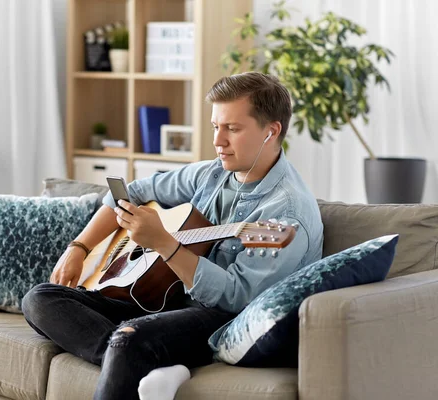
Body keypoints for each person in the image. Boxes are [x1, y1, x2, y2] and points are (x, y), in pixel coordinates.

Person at [21, 72, 324, 400]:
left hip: (219, 317)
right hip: (163, 300)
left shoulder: (287, 213)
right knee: (40, 299)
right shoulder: (212, 174)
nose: (218, 141)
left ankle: (136, 353)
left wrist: (164, 243)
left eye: (232, 129)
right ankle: (150, 364)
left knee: (130, 338)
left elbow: (237, 297)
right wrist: (78, 248)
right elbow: (130, 193)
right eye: (215, 127)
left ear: (271, 131)